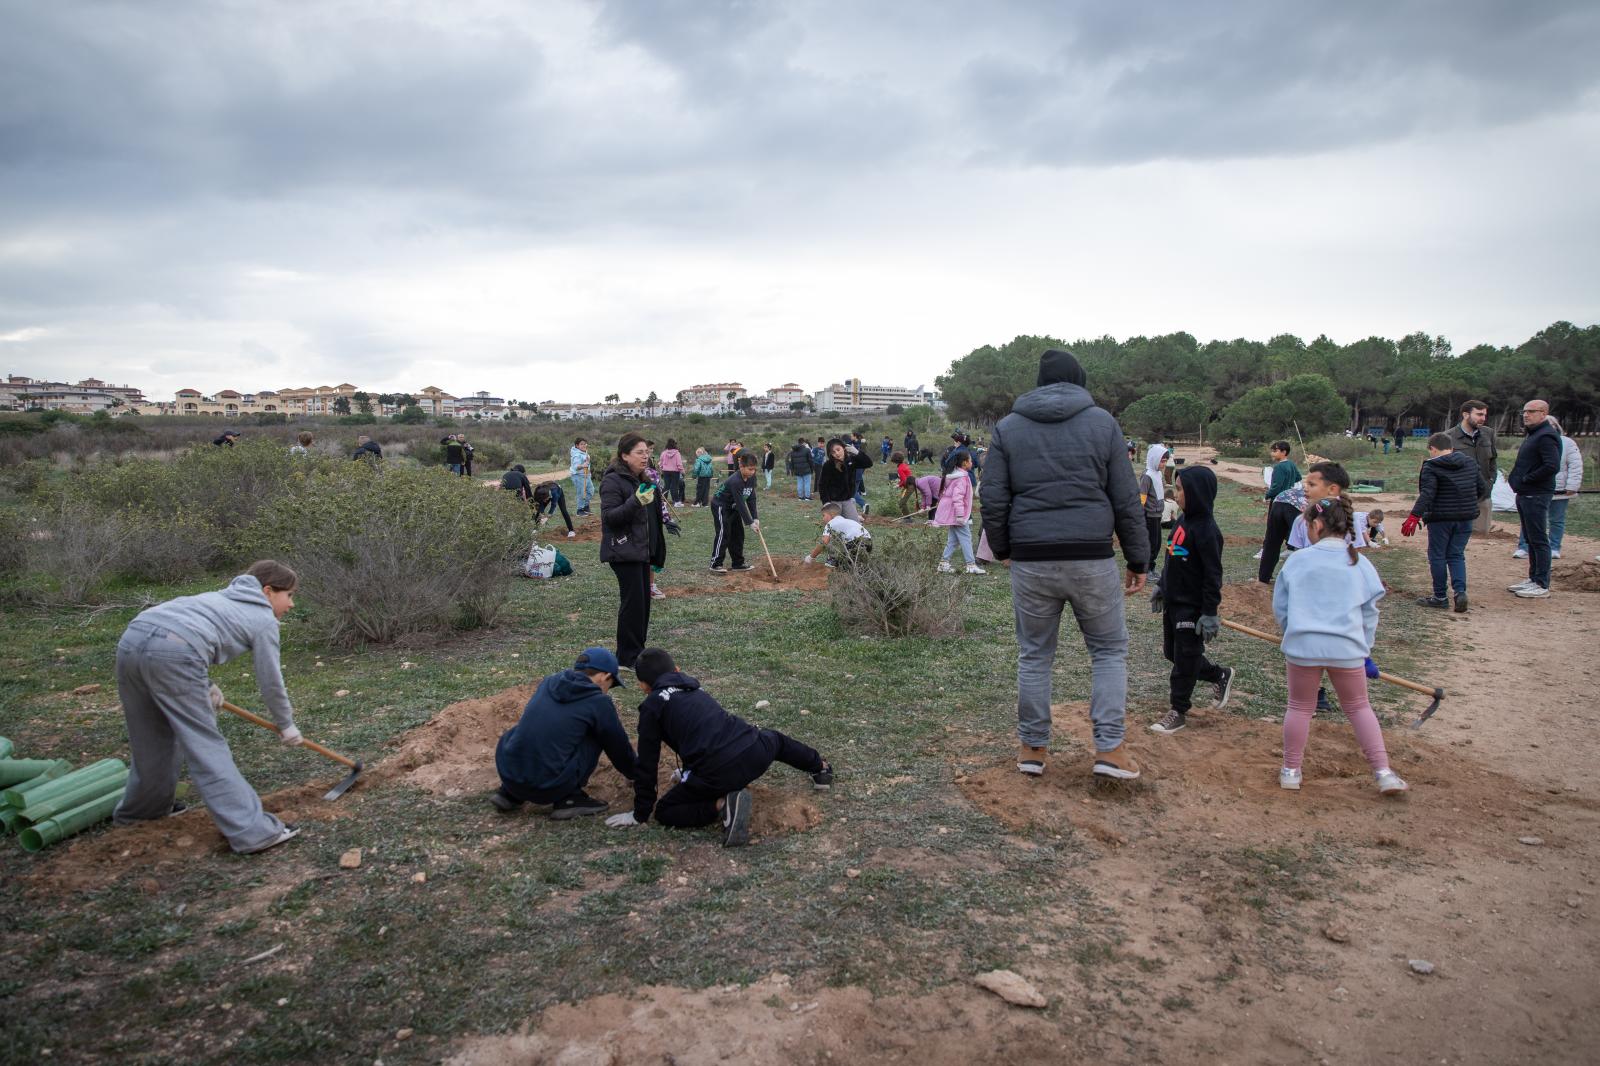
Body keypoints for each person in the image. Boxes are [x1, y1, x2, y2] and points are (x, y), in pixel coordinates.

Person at [979, 349, 1149, 782]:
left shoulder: (1008, 427)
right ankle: (1109, 749)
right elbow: (1126, 498)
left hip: (1032, 560)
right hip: (1091, 557)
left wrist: (1002, 550)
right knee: (1109, 651)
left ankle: (1032, 748)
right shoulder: (1102, 423)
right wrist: (1138, 557)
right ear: (1079, 380)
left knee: (1034, 655)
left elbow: (993, 497)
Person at [112, 560, 305, 854]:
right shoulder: (264, 619)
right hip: (175, 652)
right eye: (289, 595)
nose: (291, 604)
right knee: (205, 744)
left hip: (132, 641)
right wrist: (286, 724)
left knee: (150, 736)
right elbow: (271, 682)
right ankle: (253, 832)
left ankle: (141, 812)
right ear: (268, 591)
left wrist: (202, 685)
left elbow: (176, 631)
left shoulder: (219, 598)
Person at [604, 648, 832, 847]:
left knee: (665, 811)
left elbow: (648, 762)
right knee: (776, 740)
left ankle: (722, 805)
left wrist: (640, 813)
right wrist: (686, 771)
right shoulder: (695, 689)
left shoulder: (652, 707)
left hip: (717, 773)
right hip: (754, 749)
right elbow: (705, 732)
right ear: (677, 670)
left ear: (643, 686)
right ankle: (820, 767)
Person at [1272, 497, 1408, 796]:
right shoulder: (1359, 563)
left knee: (1299, 707)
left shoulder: (1297, 560)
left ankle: (1291, 771)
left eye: (1306, 525)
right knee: (1359, 707)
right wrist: (1365, 649)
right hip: (1347, 648)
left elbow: (1280, 607)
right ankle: (1383, 772)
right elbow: (1370, 612)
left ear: (1317, 525)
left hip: (1303, 647)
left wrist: (1290, 632)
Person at [490, 647, 636, 819]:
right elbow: (617, 747)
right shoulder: (598, 702)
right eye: (610, 685)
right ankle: (569, 799)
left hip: (510, 774)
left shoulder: (549, 682)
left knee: (528, 727)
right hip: (547, 787)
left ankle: (509, 794)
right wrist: (637, 773)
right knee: (598, 733)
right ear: (605, 676)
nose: (607, 690)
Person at [1148, 467, 1233, 735]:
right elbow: (1172, 559)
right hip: (1173, 602)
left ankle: (1178, 710)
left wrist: (1209, 612)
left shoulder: (1208, 531)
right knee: (1171, 654)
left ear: (1197, 493)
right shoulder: (1182, 522)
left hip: (1192, 607)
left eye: (1182, 489)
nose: (1177, 493)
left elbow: (1212, 576)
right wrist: (1162, 586)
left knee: (1185, 659)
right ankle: (1219, 674)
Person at [1402, 432, 1487, 612]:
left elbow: (1428, 494)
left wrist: (1414, 516)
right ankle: (1460, 592)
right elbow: (1482, 488)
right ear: (1451, 447)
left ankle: (1440, 597)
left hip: (1440, 519)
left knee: (1437, 556)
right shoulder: (1470, 463)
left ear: (1432, 449)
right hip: (1465, 517)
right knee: (1456, 555)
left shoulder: (1431, 466)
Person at [600, 433, 662, 668]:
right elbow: (610, 518)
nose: (645, 457)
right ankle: (627, 657)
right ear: (624, 455)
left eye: (647, 452)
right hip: (623, 550)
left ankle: (638, 651)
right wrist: (635, 501)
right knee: (632, 604)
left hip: (641, 549)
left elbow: (648, 516)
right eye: (639, 452)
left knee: (643, 603)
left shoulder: (642, 478)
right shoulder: (612, 481)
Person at [1507, 399, 1562, 599]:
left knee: (1539, 539)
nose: (1526, 415)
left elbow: (1551, 466)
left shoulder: (1547, 436)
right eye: (1524, 411)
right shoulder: (1534, 434)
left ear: (1544, 413)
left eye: (1531, 411)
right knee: (1530, 538)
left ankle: (1541, 583)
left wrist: (1527, 479)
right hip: (1525, 493)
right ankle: (1533, 578)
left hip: (1536, 493)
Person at [1514, 420, 1582, 561]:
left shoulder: (1567, 443)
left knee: (1556, 519)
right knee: (1530, 519)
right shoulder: (1532, 440)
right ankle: (1523, 546)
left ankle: (1554, 547)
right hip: (1536, 488)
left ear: (1556, 427)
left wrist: (1572, 485)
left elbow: (1575, 465)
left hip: (1559, 488)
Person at [1447, 401, 1498, 535]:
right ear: (1465, 414)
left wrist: (1491, 481)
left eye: (1484, 415)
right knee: (1458, 536)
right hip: (1458, 497)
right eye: (1479, 414)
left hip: (1483, 494)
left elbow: (1493, 460)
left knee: (1480, 535)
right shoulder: (1448, 437)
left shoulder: (1489, 434)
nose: (1483, 418)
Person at [1257, 440, 1301, 583]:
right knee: (1293, 530)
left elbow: (1275, 486)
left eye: (1275, 450)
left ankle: (1264, 576)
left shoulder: (1279, 467)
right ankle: (1290, 547)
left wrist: (1267, 495)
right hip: (1292, 502)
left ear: (1283, 452)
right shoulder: (1292, 465)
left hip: (1279, 502)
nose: (1272, 453)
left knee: (1272, 538)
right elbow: (1298, 478)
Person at [710, 451, 760, 574]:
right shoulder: (735, 481)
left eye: (754, 469)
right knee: (724, 533)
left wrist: (755, 518)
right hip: (721, 506)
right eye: (750, 469)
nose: (752, 472)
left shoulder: (751, 478)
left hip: (734, 507)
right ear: (741, 467)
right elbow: (740, 503)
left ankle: (738, 563)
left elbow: (751, 497)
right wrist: (749, 522)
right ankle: (715, 564)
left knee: (738, 534)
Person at [934, 452, 984, 575]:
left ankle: (944, 563)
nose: (972, 463)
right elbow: (958, 498)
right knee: (966, 537)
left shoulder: (955, 475)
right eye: (970, 460)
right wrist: (960, 516)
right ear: (964, 463)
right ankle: (971, 565)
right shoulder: (961, 478)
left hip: (953, 512)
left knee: (953, 540)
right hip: (957, 514)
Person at [816, 437, 873, 521]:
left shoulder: (851, 461)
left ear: (843, 448)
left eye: (838, 449)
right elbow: (822, 485)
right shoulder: (828, 465)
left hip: (847, 500)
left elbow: (868, 463)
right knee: (835, 527)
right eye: (833, 452)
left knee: (855, 524)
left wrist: (857, 452)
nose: (837, 453)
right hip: (833, 502)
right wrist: (826, 502)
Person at [803, 502, 872, 567]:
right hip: (868, 542)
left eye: (823, 515)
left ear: (832, 514)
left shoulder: (830, 523)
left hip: (855, 543)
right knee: (855, 563)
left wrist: (811, 557)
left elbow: (824, 542)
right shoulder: (847, 521)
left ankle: (832, 568)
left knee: (833, 563)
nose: (823, 519)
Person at [1138, 444, 1169, 558]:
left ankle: (1151, 567)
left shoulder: (1158, 473)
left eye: (1165, 461)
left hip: (1158, 513)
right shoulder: (1147, 476)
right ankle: (1147, 568)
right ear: (1154, 459)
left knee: (1157, 543)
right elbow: (1142, 496)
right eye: (1162, 461)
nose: (1164, 464)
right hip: (1150, 515)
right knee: (1151, 543)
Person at [569, 438, 594, 516]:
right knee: (581, 493)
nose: (584, 445)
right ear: (577, 445)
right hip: (578, 476)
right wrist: (583, 465)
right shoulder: (576, 455)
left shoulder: (584, 452)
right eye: (582, 444)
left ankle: (585, 507)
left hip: (586, 475)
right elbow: (576, 466)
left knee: (591, 491)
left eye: (585, 443)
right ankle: (579, 510)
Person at [658, 439, 686, 507]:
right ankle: (676, 502)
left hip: (666, 472)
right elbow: (679, 464)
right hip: (675, 472)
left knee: (666, 486)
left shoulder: (663, 453)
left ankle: (663, 501)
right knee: (674, 487)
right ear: (675, 445)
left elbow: (660, 463)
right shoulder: (677, 453)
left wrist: (662, 469)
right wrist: (682, 471)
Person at [893, 451, 917, 515]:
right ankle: (905, 516)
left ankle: (907, 518)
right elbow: (905, 478)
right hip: (911, 484)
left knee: (902, 503)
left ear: (895, 460)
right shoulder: (904, 465)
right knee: (902, 501)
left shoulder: (900, 469)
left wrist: (898, 485)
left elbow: (905, 480)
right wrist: (899, 483)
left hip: (909, 486)